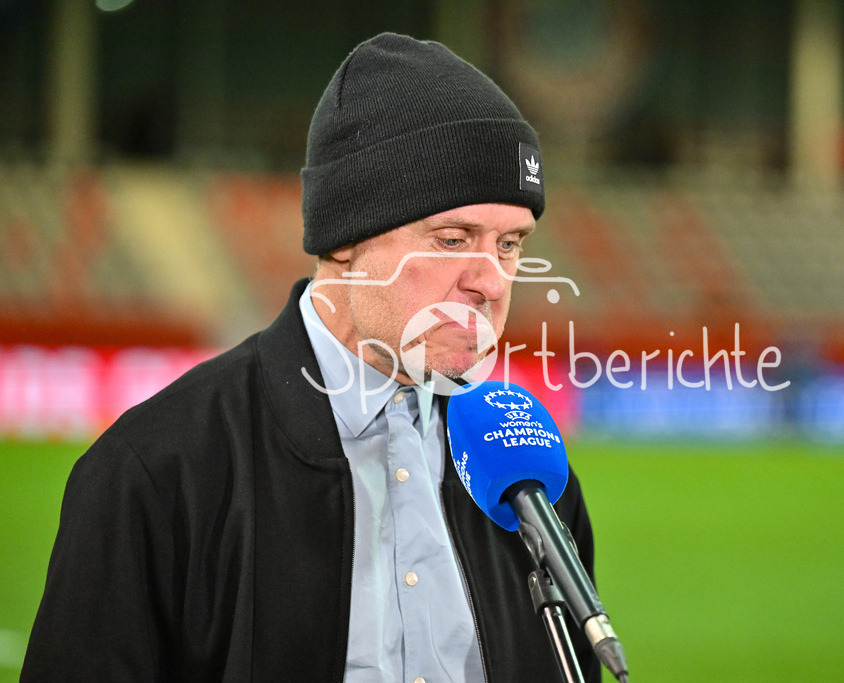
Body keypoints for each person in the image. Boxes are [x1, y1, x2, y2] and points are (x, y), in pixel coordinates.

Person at [22, 33, 600, 682]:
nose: (492, 281)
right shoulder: (156, 473)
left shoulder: (526, 477)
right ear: (346, 238)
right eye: (453, 238)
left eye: (510, 243)